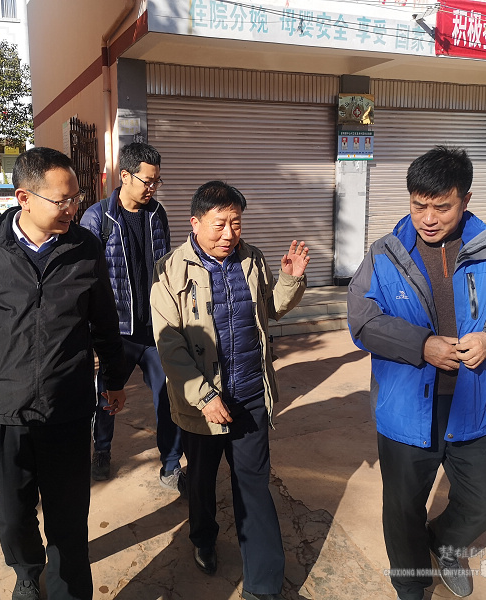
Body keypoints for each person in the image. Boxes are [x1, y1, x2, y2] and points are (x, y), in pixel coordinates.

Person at [347, 146, 486, 600]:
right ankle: (411, 587)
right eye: (419, 205)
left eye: (442, 206)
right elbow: (362, 320)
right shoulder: (385, 254)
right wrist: (420, 345)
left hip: (472, 405)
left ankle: (445, 544)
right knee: (402, 511)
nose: (429, 218)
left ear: (466, 199)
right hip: (405, 409)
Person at [0, 147, 128, 600]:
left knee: (69, 517)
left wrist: (114, 379)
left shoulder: (85, 247)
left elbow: (104, 321)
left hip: (67, 408)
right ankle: (27, 572)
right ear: (24, 198)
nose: (73, 208)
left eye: (76, 198)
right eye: (62, 200)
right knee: (13, 515)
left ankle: (70, 591)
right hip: (4, 409)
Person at [151, 181, 310, 600]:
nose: (229, 234)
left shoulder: (252, 259)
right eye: (219, 224)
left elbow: (270, 309)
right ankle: (203, 539)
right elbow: (169, 344)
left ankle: (263, 585)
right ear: (195, 223)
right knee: (202, 483)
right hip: (202, 406)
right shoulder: (170, 270)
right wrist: (204, 396)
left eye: (236, 224)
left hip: (251, 396)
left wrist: (291, 279)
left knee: (253, 487)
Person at [80, 142, 184, 491]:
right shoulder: (97, 218)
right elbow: (86, 280)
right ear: (125, 175)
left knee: (168, 397)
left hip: (156, 330)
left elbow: (166, 267)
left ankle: (171, 465)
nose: (153, 187)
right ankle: (102, 450)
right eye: (147, 180)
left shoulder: (158, 214)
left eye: (157, 181)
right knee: (108, 397)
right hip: (119, 332)